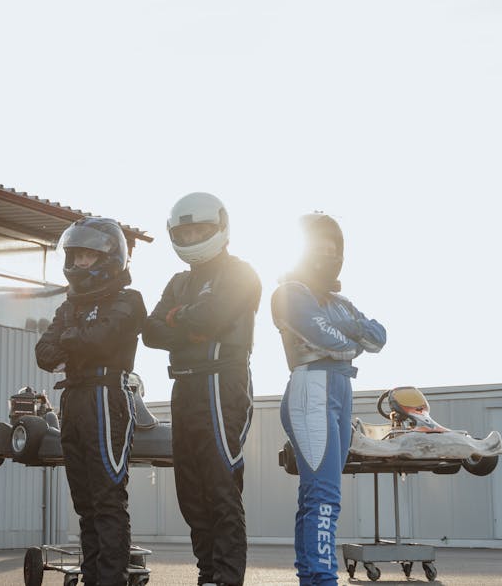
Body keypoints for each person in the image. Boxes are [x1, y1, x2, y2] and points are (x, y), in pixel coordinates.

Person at [142, 192, 261, 586]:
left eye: (200, 230)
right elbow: (151, 331)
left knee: (220, 487)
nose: (192, 237)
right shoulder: (178, 281)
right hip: (185, 385)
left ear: (220, 228)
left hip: (220, 383)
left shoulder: (241, 273)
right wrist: (189, 323)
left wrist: (181, 321)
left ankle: (227, 579)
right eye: (186, 231)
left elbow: (215, 315)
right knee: (190, 491)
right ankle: (207, 574)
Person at [272, 213, 386, 586]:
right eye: (317, 247)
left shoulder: (341, 302)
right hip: (311, 388)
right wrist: (352, 337)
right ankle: (322, 579)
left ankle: (311, 577)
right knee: (324, 495)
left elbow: (378, 337)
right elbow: (328, 341)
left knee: (316, 493)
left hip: (339, 390)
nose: (325, 254)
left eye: (331, 248)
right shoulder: (289, 292)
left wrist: (348, 332)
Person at [35, 217, 146, 586]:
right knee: (85, 506)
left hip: (106, 398)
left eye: (87, 256)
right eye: (76, 256)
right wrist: (76, 337)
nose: (79, 263)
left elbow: (102, 339)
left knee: (107, 501)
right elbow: (43, 352)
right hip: (73, 400)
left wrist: (71, 339)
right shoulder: (70, 306)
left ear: (109, 258)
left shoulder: (129, 299)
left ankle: (111, 581)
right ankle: (93, 577)